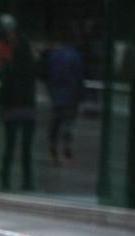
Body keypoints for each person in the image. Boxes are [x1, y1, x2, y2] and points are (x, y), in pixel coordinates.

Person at [0, 14, 36, 191]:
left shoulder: (10, 65)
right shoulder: (22, 65)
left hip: (16, 108)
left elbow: (2, 86)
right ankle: (20, 180)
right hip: (22, 108)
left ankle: (10, 179)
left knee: (14, 147)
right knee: (21, 148)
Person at [43, 38, 84, 166]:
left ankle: (52, 150)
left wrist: (51, 92)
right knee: (68, 124)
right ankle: (67, 152)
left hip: (56, 96)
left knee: (55, 124)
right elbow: (79, 77)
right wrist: (81, 96)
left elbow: (47, 75)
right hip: (71, 97)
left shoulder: (53, 56)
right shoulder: (75, 56)